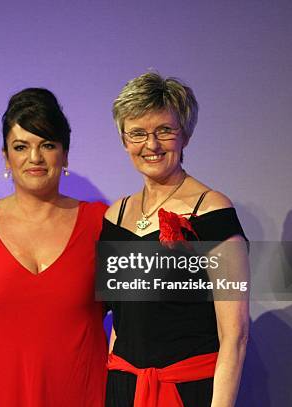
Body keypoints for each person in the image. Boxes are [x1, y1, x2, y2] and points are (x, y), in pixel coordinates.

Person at [0, 88, 107, 406]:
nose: (34, 158)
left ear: (64, 154)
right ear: (6, 156)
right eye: (21, 146)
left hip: (87, 395)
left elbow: (134, 322)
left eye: (47, 145)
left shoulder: (103, 224)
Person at [101, 73, 249, 407]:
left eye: (164, 131)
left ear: (185, 135)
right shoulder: (114, 216)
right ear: (125, 140)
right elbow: (121, 324)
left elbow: (235, 336)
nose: (151, 145)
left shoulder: (213, 211)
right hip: (123, 389)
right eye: (138, 133)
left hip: (187, 392)